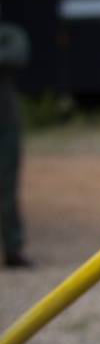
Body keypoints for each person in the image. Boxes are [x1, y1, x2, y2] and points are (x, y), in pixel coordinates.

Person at [0, 14, 31, 268]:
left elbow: (17, 54)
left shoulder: (9, 34)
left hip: (4, 126)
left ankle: (13, 249)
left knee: (7, 190)